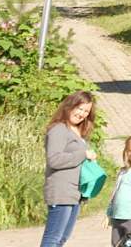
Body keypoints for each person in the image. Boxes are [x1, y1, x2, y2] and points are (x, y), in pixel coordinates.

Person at [41, 90, 98, 247]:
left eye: (86, 111)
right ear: (69, 106)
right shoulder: (59, 129)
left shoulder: (78, 132)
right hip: (61, 191)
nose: (82, 114)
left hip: (74, 193)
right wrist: (83, 154)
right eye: (79, 108)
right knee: (53, 239)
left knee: (61, 239)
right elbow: (54, 160)